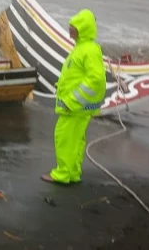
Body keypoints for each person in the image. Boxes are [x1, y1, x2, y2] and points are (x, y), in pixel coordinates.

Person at [41, 9, 107, 185]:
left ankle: (62, 174)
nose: (69, 30)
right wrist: (62, 86)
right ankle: (73, 173)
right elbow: (77, 75)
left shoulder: (88, 50)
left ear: (82, 29)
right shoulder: (82, 48)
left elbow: (96, 79)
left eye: (73, 27)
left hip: (74, 107)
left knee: (64, 138)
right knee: (75, 141)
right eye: (70, 26)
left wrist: (73, 100)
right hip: (78, 107)